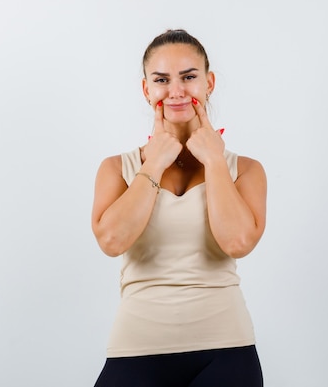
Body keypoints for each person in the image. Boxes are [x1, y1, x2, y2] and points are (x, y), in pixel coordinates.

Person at [91, 29, 267, 387]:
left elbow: (237, 243)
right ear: (146, 89)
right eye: (161, 80)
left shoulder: (244, 169)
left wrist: (215, 162)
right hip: (135, 350)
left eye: (189, 77)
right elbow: (111, 241)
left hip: (226, 350)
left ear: (209, 83)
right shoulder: (117, 168)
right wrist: (153, 164)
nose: (176, 91)